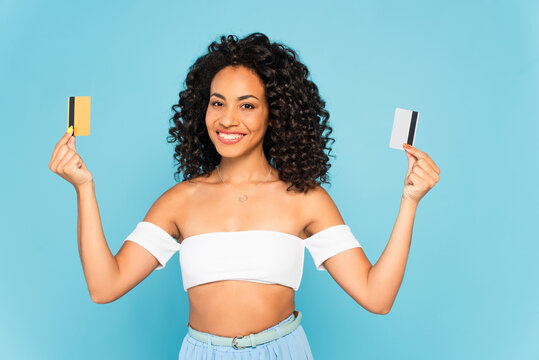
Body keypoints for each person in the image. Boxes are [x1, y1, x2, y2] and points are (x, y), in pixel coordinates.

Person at [49, 32, 440, 359]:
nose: (228, 119)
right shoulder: (180, 201)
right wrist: (85, 188)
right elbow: (105, 287)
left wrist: (410, 201)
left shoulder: (305, 198)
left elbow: (377, 296)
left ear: (275, 114)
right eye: (217, 103)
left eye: (247, 105)